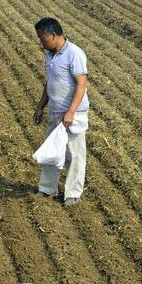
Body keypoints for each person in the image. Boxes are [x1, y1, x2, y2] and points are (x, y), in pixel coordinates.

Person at [34, 17, 89, 207]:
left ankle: (73, 193)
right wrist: (41, 106)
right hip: (56, 111)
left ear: (54, 35)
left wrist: (71, 112)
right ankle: (47, 188)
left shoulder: (75, 53)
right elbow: (50, 82)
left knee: (75, 154)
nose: (41, 42)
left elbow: (82, 84)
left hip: (73, 114)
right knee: (52, 150)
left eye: (43, 39)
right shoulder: (49, 55)